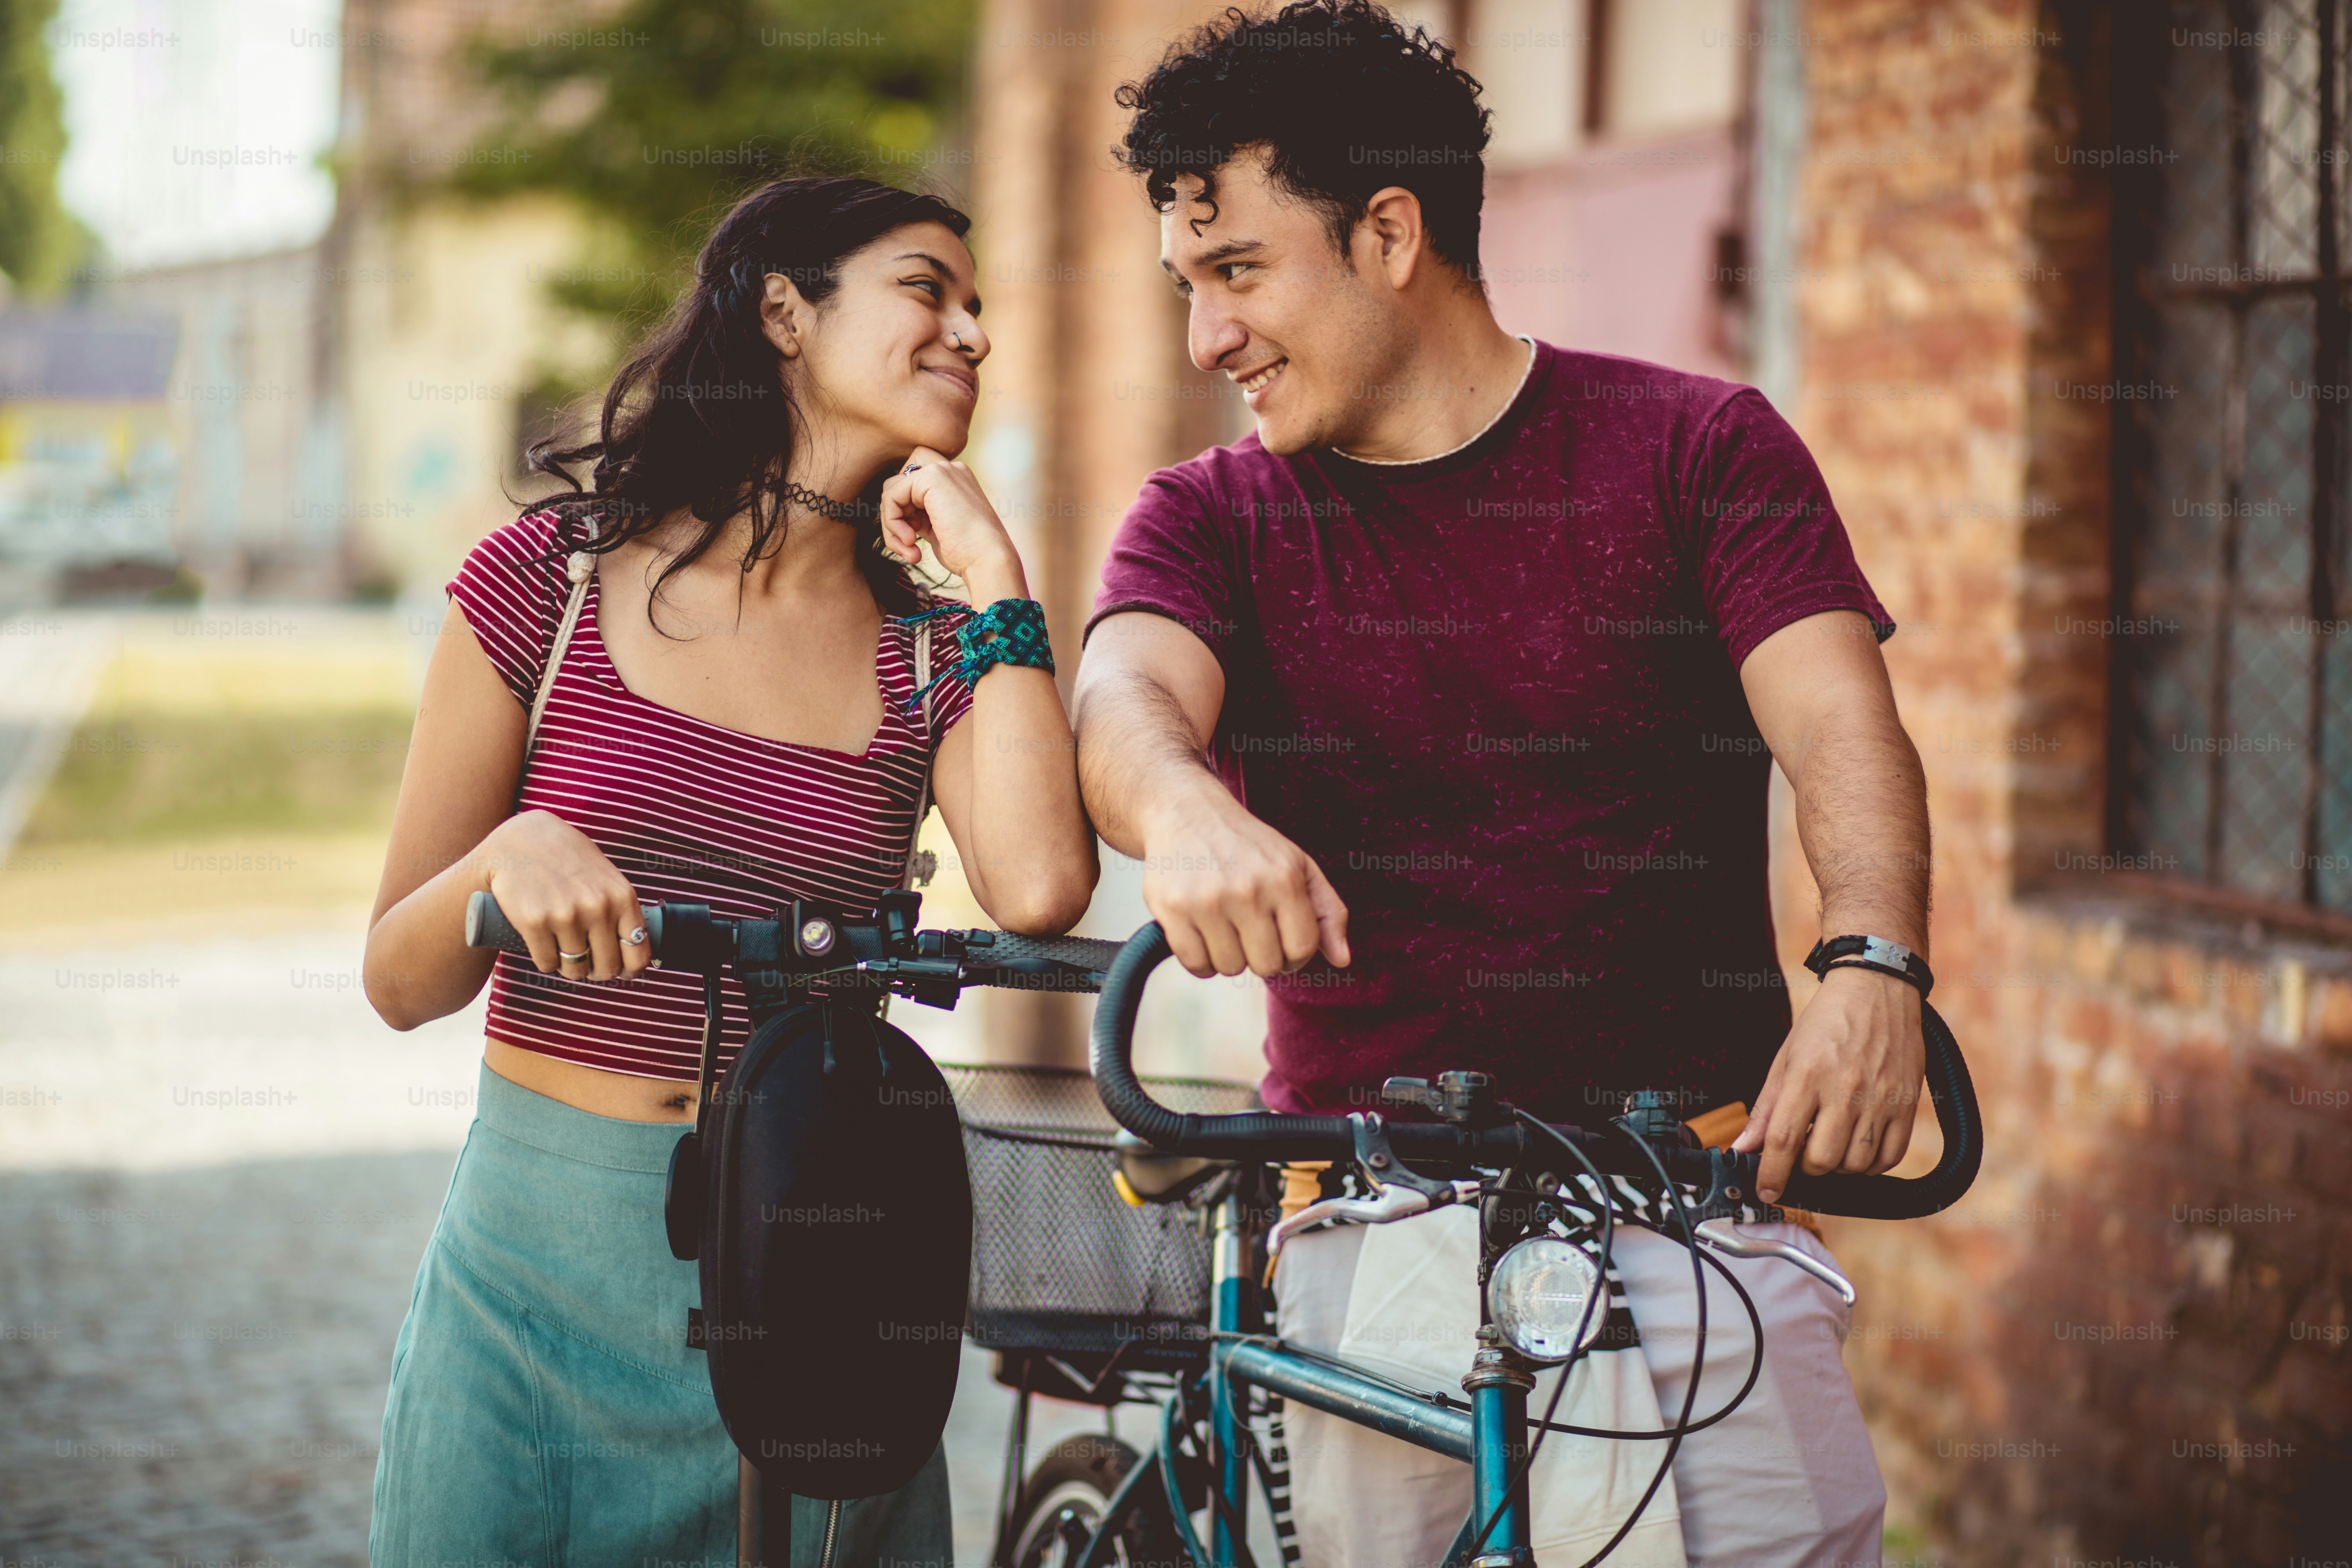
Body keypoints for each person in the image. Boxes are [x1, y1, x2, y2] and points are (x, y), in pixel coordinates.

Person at [1073, 5, 1930, 1565]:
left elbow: (1839, 724)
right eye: (1186, 289)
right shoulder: (1208, 518)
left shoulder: (1697, 448)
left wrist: (1870, 961)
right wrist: (1182, 806)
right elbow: (1124, 697)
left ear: (1389, 232)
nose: (1206, 339)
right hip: (1376, 1224)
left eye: (1238, 272)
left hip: (1697, 1206)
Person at [360, 177, 1096, 1564]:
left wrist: (997, 579)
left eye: (979, 306)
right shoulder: (548, 582)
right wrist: (505, 857)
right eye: (928, 289)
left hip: (818, 1271)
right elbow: (397, 980)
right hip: (534, 1282)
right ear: (783, 312)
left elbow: (1042, 884)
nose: (973, 334)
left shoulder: (933, 654)